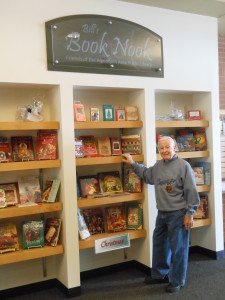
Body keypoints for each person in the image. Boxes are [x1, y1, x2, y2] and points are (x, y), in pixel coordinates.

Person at [122, 136, 200, 293]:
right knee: (159, 244)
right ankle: (160, 275)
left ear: (175, 147)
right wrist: (132, 163)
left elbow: (192, 191)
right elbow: (146, 174)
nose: (164, 150)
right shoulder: (158, 166)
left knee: (178, 248)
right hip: (162, 213)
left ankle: (177, 281)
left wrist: (189, 213)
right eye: (161, 148)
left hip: (178, 214)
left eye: (167, 147)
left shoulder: (184, 166)